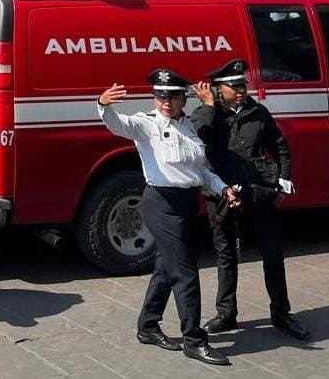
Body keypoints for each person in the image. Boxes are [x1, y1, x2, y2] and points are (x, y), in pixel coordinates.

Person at [97, 69, 238, 367]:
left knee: (165, 267)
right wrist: (103, 104)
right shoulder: (146, 125)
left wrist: (222, 188)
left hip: (187, 203)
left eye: (172, 96)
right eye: (160, 95)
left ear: (182, 99)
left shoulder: (188, 126)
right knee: (185, 272)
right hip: (160, 203)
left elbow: (199, 171)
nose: (165, 102)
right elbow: (119, 125)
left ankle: (148, 326)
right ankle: (194, 340)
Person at [191, 59, 308, 341]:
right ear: (218, 89)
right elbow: (199, 139)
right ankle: (226, 313)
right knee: (226, 254)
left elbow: (279, 146)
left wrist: (283, 180)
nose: (241, 90)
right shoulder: (207, 114)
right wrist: (207, 105)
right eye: (234, 87)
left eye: (242, 85)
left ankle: (281, 313)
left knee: (272, 253)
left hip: (258, 190)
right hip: (221, 193)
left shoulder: (258, 112)